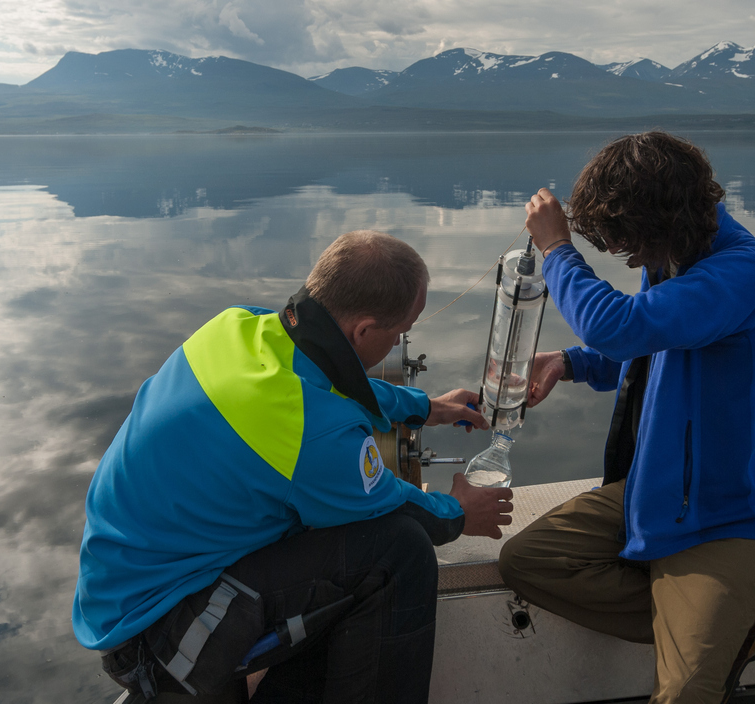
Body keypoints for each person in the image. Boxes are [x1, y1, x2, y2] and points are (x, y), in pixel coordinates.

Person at [73, 230, 514, 703]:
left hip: (124, 592)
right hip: (162, 643)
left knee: (318, 524)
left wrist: (424, 406)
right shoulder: (314, 436)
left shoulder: (239, 326)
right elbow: (401, 508)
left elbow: (324, 383)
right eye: (399, 332)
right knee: (399, 553)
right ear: (364, 332)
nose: (399, 341)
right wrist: (461, 513)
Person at [498, 132, 755, 704]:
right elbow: (651, 343)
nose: (624, 256)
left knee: (681, 696)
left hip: (724, 514)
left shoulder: (743, 272)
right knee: (528, 561)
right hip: (653, 492)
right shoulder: (676, 255)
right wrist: (570, 362)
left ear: (664, 219)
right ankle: (731, 628)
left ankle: (717, 628)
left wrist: (558, 250)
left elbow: (623, 327)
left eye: (629, 242)